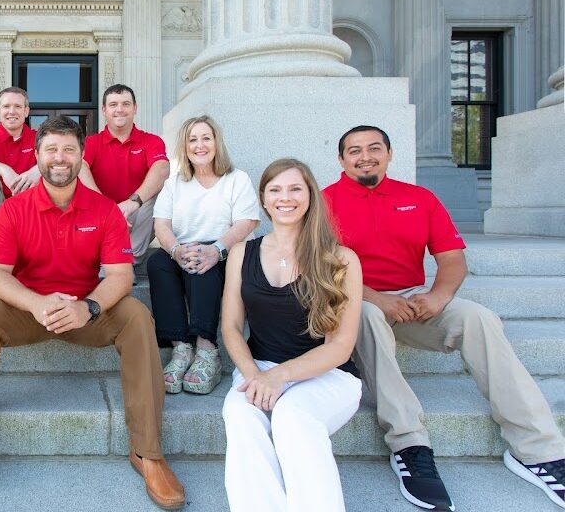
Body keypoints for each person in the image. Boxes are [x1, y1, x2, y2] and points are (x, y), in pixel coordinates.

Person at [0, 116, 185, 511]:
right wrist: (35, 302)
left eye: (69, 149)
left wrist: (89, 307)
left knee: (136, 314)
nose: (60, 158)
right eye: (51, 149)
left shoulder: (105, 211)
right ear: (37, 156)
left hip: (85, 311)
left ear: (82, 156)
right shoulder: (13, 211)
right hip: (27, 310)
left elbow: (120, 276)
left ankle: (148, 452)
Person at [323, 125, 565, 511]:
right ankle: (410, 444)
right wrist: (376, 299)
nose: (364, 156)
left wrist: (438, 296)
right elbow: (321, 271)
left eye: (374, 148)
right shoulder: (324, 203)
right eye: (354, 150)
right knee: (366, 314)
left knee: (479, 317)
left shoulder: (419, 198)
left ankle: (538, 448)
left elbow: (452, 259)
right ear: (341, 160)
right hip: (357, 301)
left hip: (413, 302)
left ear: (389, 153)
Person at [221, 158, 363, 512]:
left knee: (293, 416)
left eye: (295, 188)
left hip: (328, 375)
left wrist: (280, 376)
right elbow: (231, 328)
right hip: (258, 367)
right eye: (276, 190)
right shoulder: (242, 253)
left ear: (310, 196)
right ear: (264, 200)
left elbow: (341, 347)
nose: (286, 198)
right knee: (239, 415)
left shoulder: (341, 259)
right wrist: (256, 375)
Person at [149, 115, 260, 395]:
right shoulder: (175, 183)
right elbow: (160, 224)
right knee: (157, 262)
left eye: (206, 138)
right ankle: (181, 348)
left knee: (203, 265)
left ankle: (207, 349)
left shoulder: (237, 179)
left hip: (227, 252)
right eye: (192, 139)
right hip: (183, 249)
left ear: (216, 143)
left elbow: (247, 222)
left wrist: (216, 249)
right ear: (185, 147)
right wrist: (175, 250)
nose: (199, 145)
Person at [80, 84, 170, 267]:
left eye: (126, 104)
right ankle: (108, 261)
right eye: (113, 104)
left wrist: (133, 202)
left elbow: (162, 168)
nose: (119, 109)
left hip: (136, 218)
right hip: (102, 219)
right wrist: (106, 207)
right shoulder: (91, 143)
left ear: (135, 108)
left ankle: (127, 261)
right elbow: (80, 167)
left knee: (158, 195)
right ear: (104, 110)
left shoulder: (151, 141)